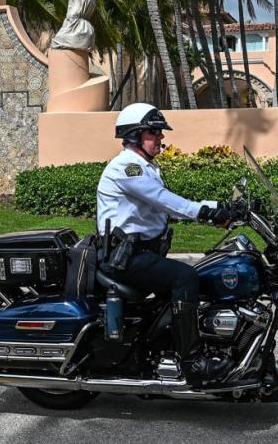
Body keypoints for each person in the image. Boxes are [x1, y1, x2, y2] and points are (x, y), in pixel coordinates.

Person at [96, 102, 234, 384]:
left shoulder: (144, 167)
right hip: (125, 259)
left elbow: (167, 203)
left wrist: (223, 207)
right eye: (154, 132)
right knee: (185, 277)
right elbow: (164, 200)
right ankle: (192, 363)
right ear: (135, 136)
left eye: (159, 132)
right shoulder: (127, 168)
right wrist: (205, 212)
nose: (161, 138)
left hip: (140, 255)